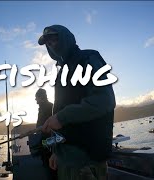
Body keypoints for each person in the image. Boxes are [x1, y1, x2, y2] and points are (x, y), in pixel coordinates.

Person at [39, 25, 116, 180]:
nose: (51, 44)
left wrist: (61, 117)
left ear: (66, 38)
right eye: (47, 42)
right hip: (67, 160)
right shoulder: (61, 73)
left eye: (54, 38)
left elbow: (104, 100)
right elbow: (65, 121)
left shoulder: (88, 58)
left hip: (87, 160)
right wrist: (57, 151)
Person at [35, 88, 57, 179]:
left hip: (48, 140)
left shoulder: (45, 107)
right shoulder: (50, 106)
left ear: (40, 97)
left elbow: (43, 125)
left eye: (36, 97)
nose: (35, 99)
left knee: (48, 162)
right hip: (49, 139)